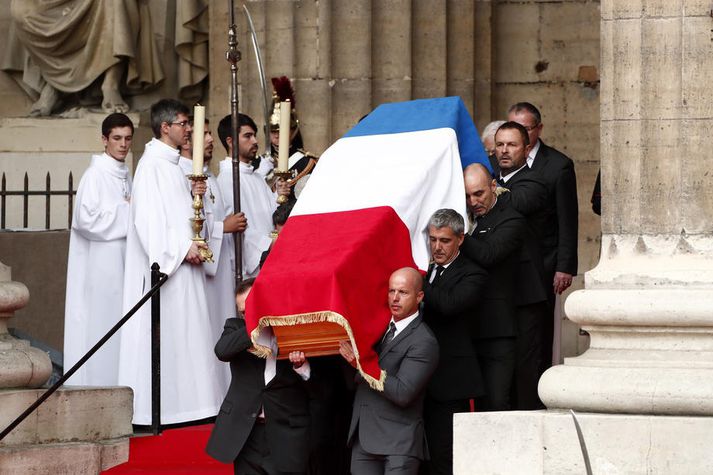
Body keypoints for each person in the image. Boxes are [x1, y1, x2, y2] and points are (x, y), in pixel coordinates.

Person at [118, 98, 223, 425]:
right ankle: (167, 410)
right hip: (168, 271)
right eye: (183, 123)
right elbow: (148, 222)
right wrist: (180, 249)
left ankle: (193, 406)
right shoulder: (151, 166)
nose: (188, 129)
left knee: (190, 336)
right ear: (166, 128)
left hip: (183, 269)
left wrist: (196, 197)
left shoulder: (174, 166)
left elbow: (182, 219)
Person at [206, 278, 313, 474]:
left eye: (252, 307)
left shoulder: (293, 328)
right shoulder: (237, 328)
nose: (247, 315)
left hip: (285, 435)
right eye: (243, 311)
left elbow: (317, 386)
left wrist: (301, 366)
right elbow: (222, 351)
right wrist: (255, 324)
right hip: (247, 435)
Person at [339, 267, 439, 475]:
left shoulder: (424, 340)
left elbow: (403, 393)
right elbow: (354, 380)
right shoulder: (376, 328)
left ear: (419, 296)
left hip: (399, 444)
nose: (395, 298)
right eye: (391, 291)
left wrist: (361, 365)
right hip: (364, 439)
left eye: (403, 292)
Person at [177, 118, 247, 394]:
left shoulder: (211, 177)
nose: (209, 139)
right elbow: (189, 225)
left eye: (208, 132)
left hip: (221, 269)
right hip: (203, 269)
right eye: (203, 134)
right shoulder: (182, 175)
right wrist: (222, 228)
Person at [63, 112, 134, 386]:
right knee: (100, 325)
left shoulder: (125, 174)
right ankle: (96, 382)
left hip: (122, 262)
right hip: (101, 265)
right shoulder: (94, 175)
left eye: (128, 138)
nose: (123, 144)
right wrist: (126, 211)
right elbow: (85, 220)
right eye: (117, 138)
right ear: (104, 140)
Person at [507, 102, 579, 370]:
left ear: (539, 129)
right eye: (513, 128)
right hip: (509, 262)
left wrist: (565, 266)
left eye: (525, 129)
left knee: (538, 334)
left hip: (544, 263)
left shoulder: (558, 165)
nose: (518, 136)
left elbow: (567, 218)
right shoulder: (495, 162)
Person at [421, 209, 488, 475]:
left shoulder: (473, 274)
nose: (437, 246)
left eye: (444, 240)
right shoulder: (426, 269)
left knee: (444, 456)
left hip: (451, 383)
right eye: (433, 239)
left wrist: (417, 280)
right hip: (420, 379)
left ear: (460, 239)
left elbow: (449, 305)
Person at [493, 121, 550, 409]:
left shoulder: (534, 181)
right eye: (500, 144)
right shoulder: (490, 180)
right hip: (496, 291)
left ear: (526, 149)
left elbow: (513, 203)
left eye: (511, 145)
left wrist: (483, 193)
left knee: (526, 364)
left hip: (526, 291)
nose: (504, 151)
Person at [461, 163, 526, 411]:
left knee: (497, 402)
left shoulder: (511, 219)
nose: (473, 201)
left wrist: (458, 235)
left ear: (493, 186)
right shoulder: (467, 219)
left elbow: (490, 254)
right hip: (467, 328)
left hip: (498, 329)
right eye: (467, 196)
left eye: (479, 194)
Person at [216, 113, 290, 279]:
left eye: (254, 136)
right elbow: (240, 227)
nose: (255, 141)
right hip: (254, 265)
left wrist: (278, 196)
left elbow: (269, 216)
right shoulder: (227, 180)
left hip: (273, 257)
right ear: (230, 142)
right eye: (247, 136)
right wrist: (268, 244)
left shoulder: (256, 177)